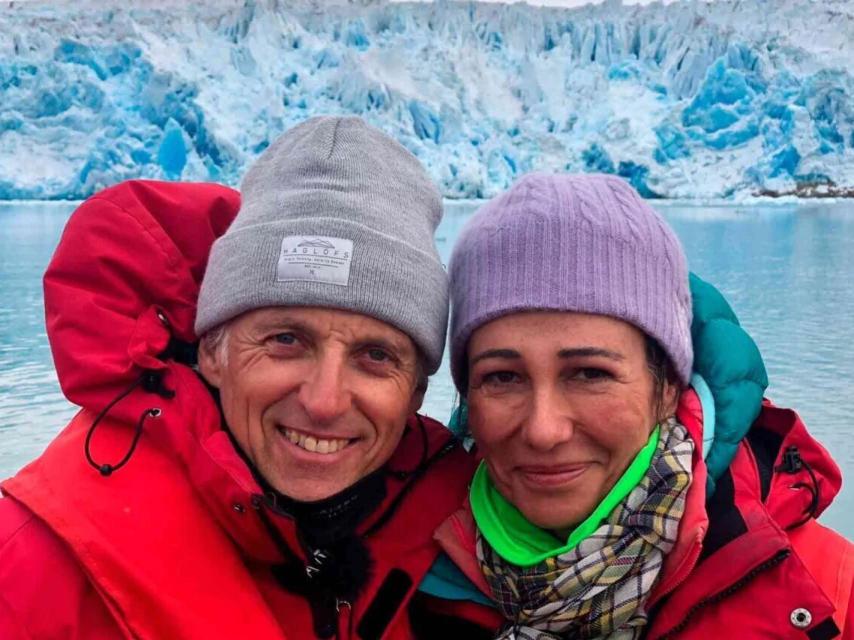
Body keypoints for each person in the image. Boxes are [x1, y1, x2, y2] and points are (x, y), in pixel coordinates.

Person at [0, 116, 481, 639]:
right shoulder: (30, 569)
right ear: (212, 349)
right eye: (285, 340)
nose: (324, 401)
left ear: (414, 391)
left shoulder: (464, 541)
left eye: (375, 355)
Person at [431, 173, 854, 639]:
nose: (543, 430)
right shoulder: (403, 577)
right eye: (502, 377)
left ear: (668, 386)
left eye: (591, 373)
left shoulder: (824, 594)